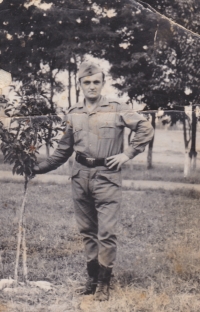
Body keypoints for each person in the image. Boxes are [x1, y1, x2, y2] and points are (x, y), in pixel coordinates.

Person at [33, 62, 154, 301]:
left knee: (106, 232)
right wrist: (35, 169)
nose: (91, 86)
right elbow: (62, 151)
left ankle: (104, 284)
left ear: (102, 83)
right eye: (86, 82)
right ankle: (91, 280)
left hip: (107, 177)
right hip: (80, 176)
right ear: (80, 84)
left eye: (96, 82)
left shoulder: (117, 107)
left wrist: (127, 154)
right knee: (88, 231)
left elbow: (145, 128)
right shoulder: (74, 112)